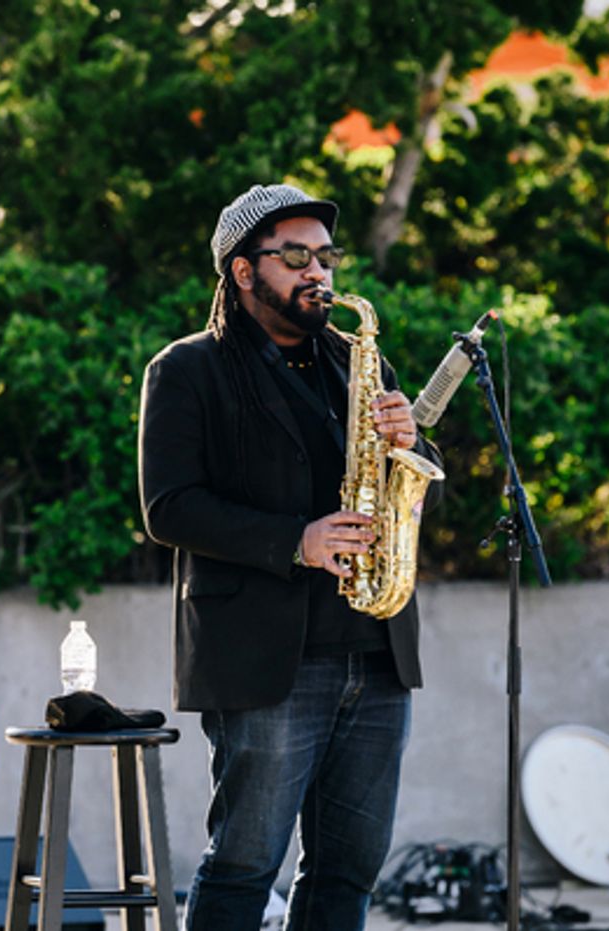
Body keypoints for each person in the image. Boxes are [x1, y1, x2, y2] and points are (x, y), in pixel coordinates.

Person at [138, 182, 445, 929]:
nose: (320, 273)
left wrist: (413, 442)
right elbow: (168, 508)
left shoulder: (360, 360)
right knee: (245, 863)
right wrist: (296, 542)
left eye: (326, 257)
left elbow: (418, 481)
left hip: (375, 653)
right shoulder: (185, 370)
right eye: (296, 256)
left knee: (350, 867)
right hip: (266, 658)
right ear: (243, 271)